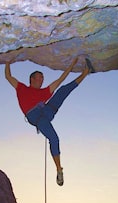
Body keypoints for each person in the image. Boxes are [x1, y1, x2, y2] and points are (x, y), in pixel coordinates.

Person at [5, 57, 94, 186]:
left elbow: (60, 80)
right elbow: (8, 76)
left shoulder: (44, 92)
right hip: (36, 118)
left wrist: (72, 64)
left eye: (42, 78)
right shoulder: (22, 88)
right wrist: (8, 62)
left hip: (46, 112)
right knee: (54, 138)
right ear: (32, 79)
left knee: (63, 90)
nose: (41, 80)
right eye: (39, 77)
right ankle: (59, 169)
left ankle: (86, 73)